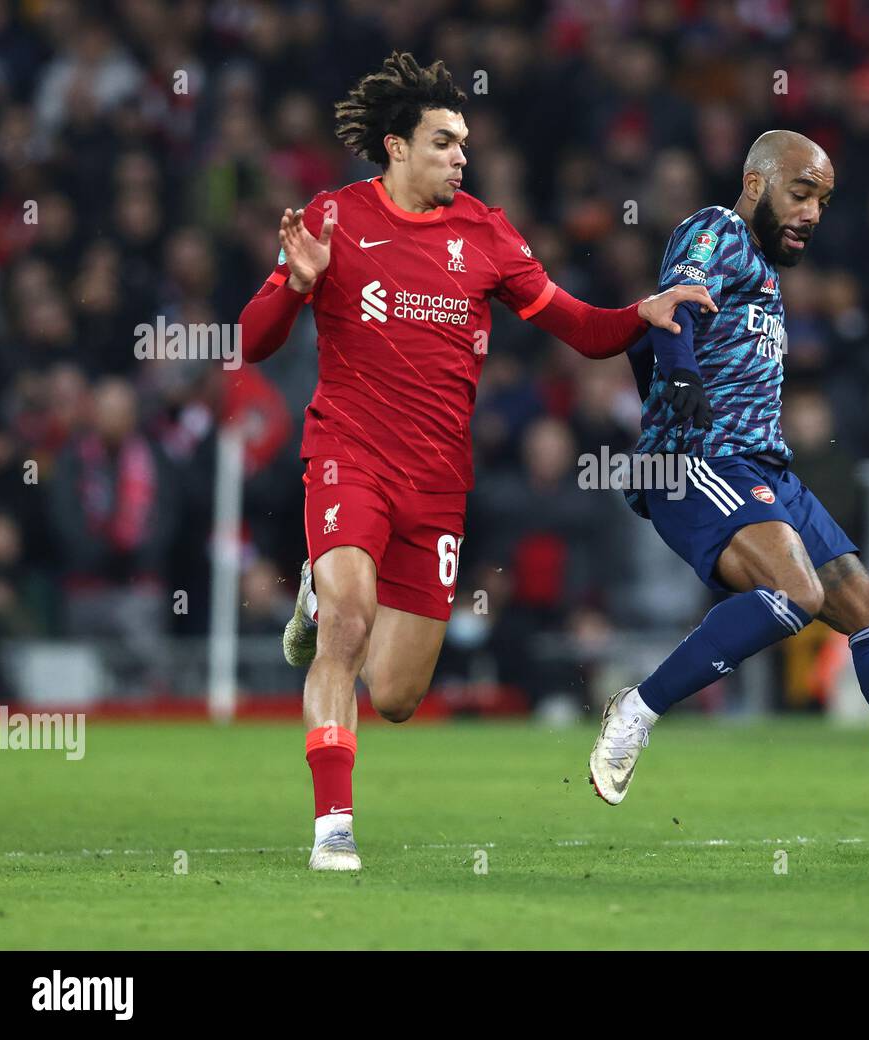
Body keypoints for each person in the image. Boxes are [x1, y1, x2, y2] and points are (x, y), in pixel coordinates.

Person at [237, 53, 714, 871]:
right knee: (348, 628)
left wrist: (643, 312)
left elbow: (580, 328)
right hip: (349, 455)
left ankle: (319, 599)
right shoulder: (335, 218)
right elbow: (250, 340)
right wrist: (294, 285)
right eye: (445, 142)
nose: (462, 156)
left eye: (464, 143)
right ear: (396, 147)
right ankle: (334, 829)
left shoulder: (486, 234)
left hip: (438, 485)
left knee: (394, 696)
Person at [586, 130, 869, 821]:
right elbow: (674, 304)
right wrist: (679, 371)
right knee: (796, 591)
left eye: (824, 201)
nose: (811, 212)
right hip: (695, 462)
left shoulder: (766, 273)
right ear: (755, 185)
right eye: (800, 192)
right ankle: (636, 711)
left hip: (762, 465)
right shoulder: (715, 229)